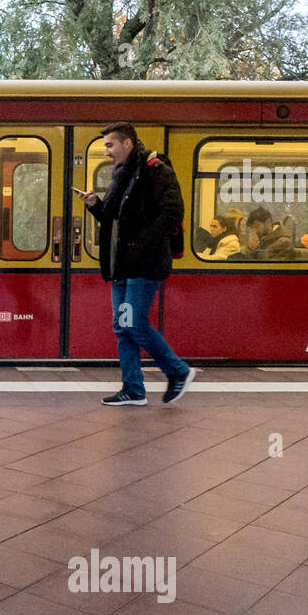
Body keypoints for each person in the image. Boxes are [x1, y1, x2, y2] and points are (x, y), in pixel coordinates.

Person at [79, 122, 196, 406]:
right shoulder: (121, 174)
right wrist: (95, 204)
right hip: (122, 264)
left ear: (127, 143)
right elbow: (113, 219)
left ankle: (179, 370)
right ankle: (133, 389)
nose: (106, 152)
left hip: (143, 263)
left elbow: (173, 211)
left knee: (133, 322)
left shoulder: (153, 169)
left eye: (110, 145)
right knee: (122, 325)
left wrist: (140, 243)